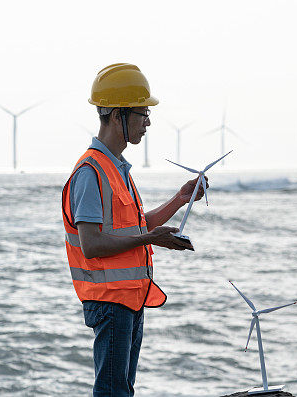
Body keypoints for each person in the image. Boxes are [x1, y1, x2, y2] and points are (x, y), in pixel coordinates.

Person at [61, 63, 207, 397]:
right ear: (117, 116)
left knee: (122, 390)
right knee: (114, 392)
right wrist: (149, 239)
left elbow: (136, 226)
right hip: (110, 301)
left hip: (130, 298)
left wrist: (179, 200)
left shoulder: (116, 168)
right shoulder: (90, 172)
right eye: (142, 113)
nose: (148, 122)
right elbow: (92, 244)